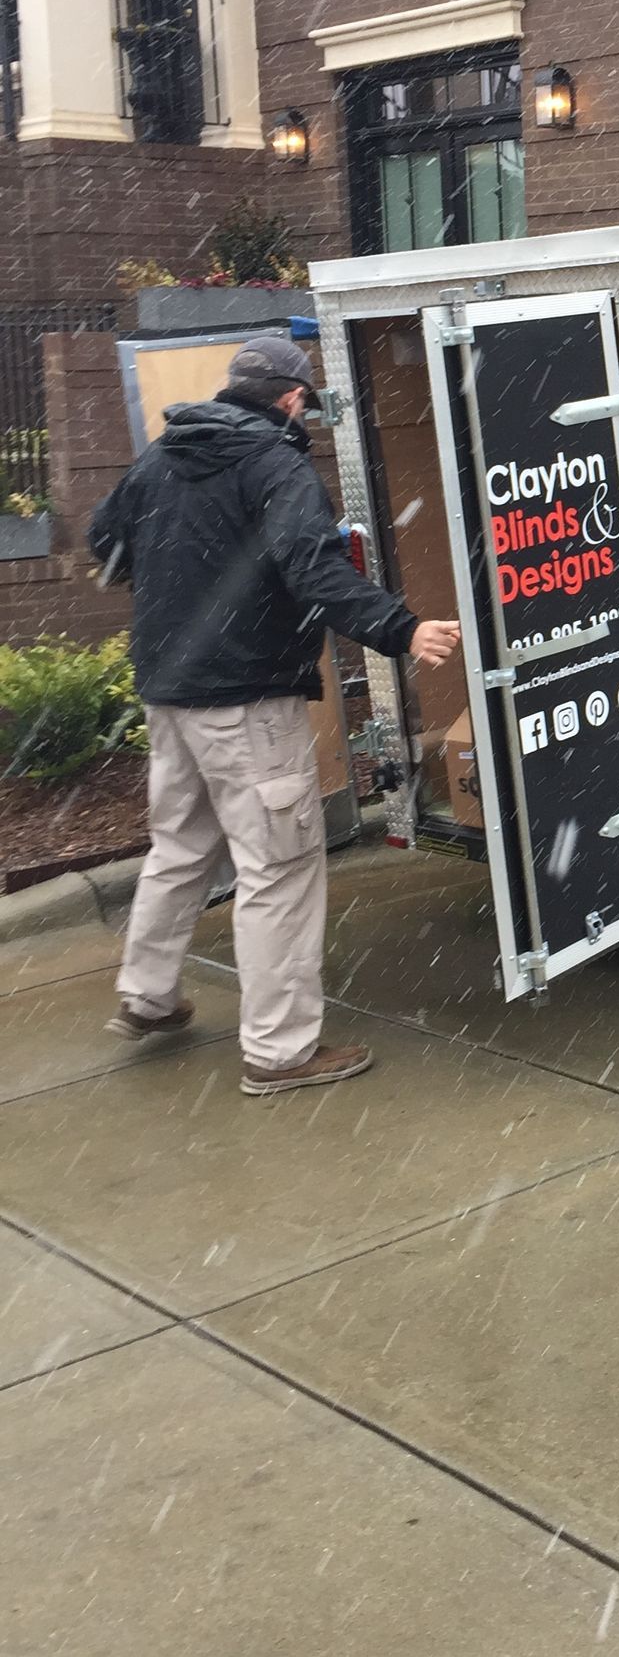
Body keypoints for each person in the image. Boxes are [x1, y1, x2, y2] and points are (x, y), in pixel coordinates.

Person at [89, 333, 461, 1097]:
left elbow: (103, 540)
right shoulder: (277, 464)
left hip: (170, 692)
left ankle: (147, 996)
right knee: (280, 869)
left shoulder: (162, 457)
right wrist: (400, 627)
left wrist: (174, 579)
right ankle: (281, 1051)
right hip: (246, 698)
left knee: (180, 849)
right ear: (292, 398)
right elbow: (312, 567)